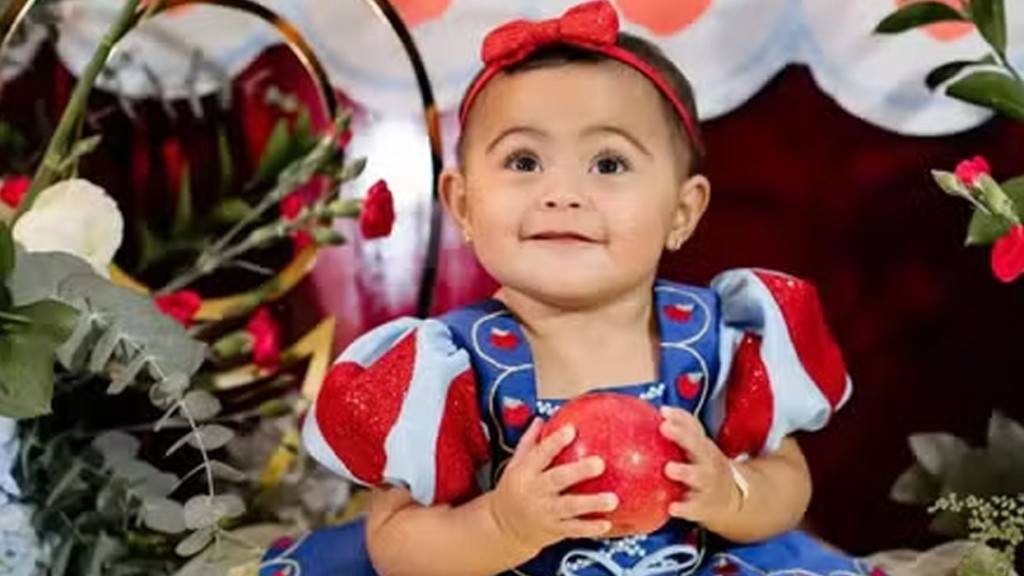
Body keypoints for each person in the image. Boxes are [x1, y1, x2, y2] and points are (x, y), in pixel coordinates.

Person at [264, 2, 885, 575]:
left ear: (682, 211)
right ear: (463, 204)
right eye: (524, 162)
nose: (562, 193)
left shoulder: (718, 338)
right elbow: (395, 541)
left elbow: (786, 479)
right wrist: (503, 525)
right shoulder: (447, 369)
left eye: (609, 164)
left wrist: (733, 495)